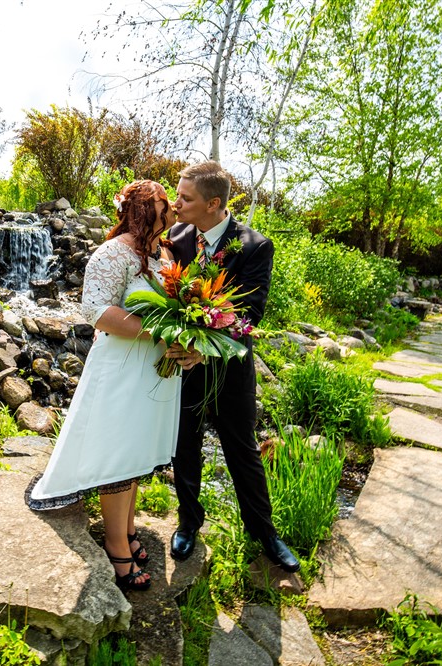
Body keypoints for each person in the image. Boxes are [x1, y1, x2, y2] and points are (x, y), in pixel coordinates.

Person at [27, 180, 196, 591]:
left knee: (136, 454)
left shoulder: (167, 253)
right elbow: (97, 311)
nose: (171, 206)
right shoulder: (114, 252)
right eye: (163, 202)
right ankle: (115, 542)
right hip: (121, 369)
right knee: (119, 453)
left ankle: (129, 527)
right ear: (142, 209)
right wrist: (159, 332)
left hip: (155, 372)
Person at [166, 161, 301, 573]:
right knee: (184, 446)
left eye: (185, 198)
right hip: (183, 366)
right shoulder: (176, 237)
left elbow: (249, 314)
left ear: (213, 204)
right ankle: (189, 522)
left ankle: (264, 532)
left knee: (242, 450)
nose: (176, 203)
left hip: (230, 367)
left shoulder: (255, 245)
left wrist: (208, 350)